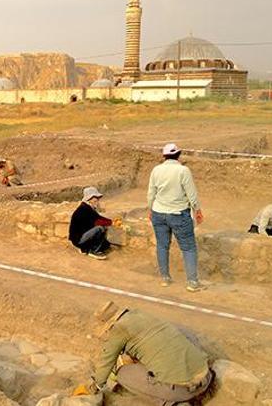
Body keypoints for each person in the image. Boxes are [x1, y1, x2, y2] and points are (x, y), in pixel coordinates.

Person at [77, 300, 213, 406]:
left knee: (123, 374)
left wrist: (93, 387)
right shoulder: (142, 315)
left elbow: (106, 362)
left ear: (110, 324)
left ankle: (171, 403)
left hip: (181, 391)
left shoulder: (119, 329)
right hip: (206, 377)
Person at [147, 143, 205, 292]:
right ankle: (192, 282)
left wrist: (150, 208)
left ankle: (165, 278)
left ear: (164, 156)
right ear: (178, 155)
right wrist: (197, 210)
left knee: (162, 245)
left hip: (158, 212)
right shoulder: (183, 171)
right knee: (189, 248)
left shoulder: (156, 170)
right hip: (178, 213)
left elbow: (151, 193)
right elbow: (191, 193)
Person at [68, 187, 113, 260]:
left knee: (106, 245)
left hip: (82, 235)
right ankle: (91, 251)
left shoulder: (87, 207)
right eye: (95, 200)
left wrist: (110, 221)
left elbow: (98, 217)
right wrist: (112, 222)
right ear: (89, 199)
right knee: (100, 228)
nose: (97, 201)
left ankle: (87, 248)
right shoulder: (85, 209)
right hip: (79, 239)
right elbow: (98, 221)